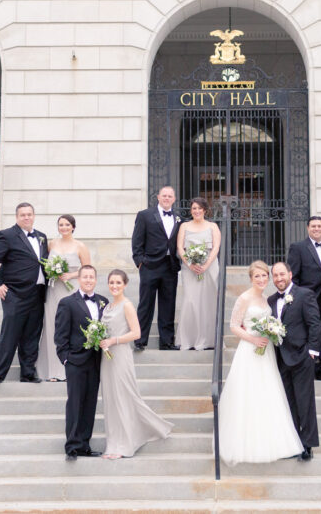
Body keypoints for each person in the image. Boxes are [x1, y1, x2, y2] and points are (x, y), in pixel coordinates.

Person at [217, 261, 304, 465]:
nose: (262, 280)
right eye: (258, 276)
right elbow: (233, 326)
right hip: (249, 350)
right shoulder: (244, 298)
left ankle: (274, 440)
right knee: (250, 394)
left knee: (268, 393)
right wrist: (253, 339)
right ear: (251, 278)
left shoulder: (267, 299)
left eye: (265, 276)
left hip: (266, 353)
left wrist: (271, 334)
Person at [97, 269, 173, 459]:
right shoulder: (106, 307)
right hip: (106, 358)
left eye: (118, 283)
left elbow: (136, 333)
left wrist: (113, 341)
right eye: (111, 282)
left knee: (124, 397)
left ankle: (125, 445)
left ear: (125, 285)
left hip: (121, 355)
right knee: (111, 399)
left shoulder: (127, 305)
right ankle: (113, 444)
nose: (114, 286)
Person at [0, 202, 48, 384]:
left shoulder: (42, 237)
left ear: (34, 216)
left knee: (32, 336)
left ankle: (28, 373)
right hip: (15, 293)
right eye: (23, 215)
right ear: (17, 217)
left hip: (37, 293)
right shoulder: (7, 235)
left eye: (29, 214)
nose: (27, 217)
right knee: (10, 334)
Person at [267, 261, 321, 460]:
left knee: (304, 402)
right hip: (280, 358)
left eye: (282, 274)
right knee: (288, 402)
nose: (279, 279)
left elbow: (315, 324)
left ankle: (307, 445)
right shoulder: (271, 300)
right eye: (275, 276)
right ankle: (292, 443)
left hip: (301, 356)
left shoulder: (304, 294)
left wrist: (312, 352)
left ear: (290, 274)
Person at [55, 264, 108, 459]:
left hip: (95, 361)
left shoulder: (103, 301)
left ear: (95, 279)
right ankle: (72, 445)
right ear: (79, 279)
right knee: (75, 403)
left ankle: (85, 444)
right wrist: (66, 358)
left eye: (91, 277)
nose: (88, 280)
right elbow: (60, 334)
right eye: (84, 277)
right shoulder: (67, 302)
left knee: (90, 403)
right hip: (75, 361)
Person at [36, 214, 91, 381]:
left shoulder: (80, 246)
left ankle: (70, 367)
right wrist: (52, 271)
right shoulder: (52, 244)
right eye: (61, 225)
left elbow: (88, 269)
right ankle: (52, 370)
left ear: (73, 227)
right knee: (53, 326)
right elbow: (43, 264)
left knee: (70, 327)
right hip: (54, 290)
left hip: (71, 289)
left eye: (67, 224)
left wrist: (71, 275)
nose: (64, 227)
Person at [131, 186, 182, 351]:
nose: (167, 198)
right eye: (164, 195)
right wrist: (140, 261)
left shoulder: (179, 217)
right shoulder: (145, 215)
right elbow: (137, 240)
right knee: (146, 304)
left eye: (170, 196)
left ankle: (166, 342)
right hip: (150, 265)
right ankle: (140, 340)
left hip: (170, 266)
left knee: (168, 305)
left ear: (174, 199)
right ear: (158, 197)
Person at [287, 216, 321, 380]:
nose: (316, 229)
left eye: (319, 226)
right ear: (308, 228)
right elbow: (293, 276)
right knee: (306, 333)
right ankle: (305, 368)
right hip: (306, 298)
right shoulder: (298, 247)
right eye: (313, 226)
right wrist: (295, 296)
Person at [176, 197, 221, 350]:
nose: (196, 211)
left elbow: (215, 248)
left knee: (208, 301)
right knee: (191, 301)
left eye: (199, 208)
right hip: (190, 269)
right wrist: (190, 264)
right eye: (194, 208)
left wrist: (206, 265)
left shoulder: (213, 226)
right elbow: (180, 248)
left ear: (205, 210)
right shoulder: (184, 226)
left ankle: (208, 340)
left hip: (209, 267)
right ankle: (189, 340)